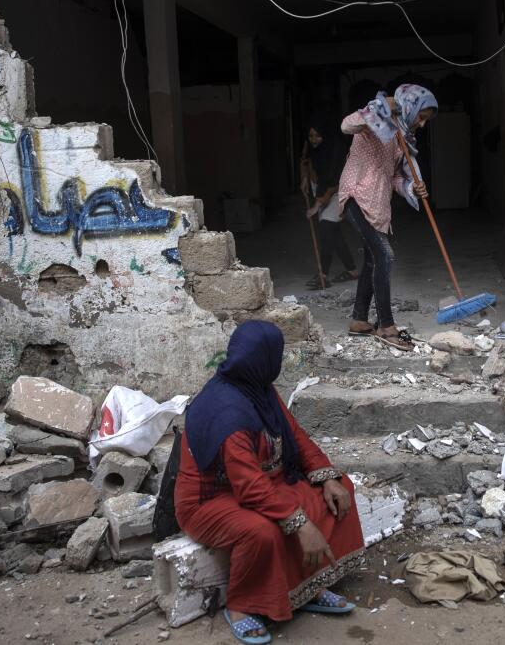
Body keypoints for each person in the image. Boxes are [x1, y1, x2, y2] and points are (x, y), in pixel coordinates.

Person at [174, 321, 365, 644]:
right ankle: (241, 607)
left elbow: (295, 435)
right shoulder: (228, 414)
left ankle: (307, 586)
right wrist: (301, 524)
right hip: (210, 500)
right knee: (262, 531)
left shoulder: (258, 387)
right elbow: (247, 486)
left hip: (260, 481)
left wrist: (326, 474)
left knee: (337, 490)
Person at [338, 84, 437, 352]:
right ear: (409, 107)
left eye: (426, 118)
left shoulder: (400, 138)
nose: (423, 123)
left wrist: (410, 187)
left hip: (378, 205)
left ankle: (359, 319)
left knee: (373, 259)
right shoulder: (376, 120)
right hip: (356, 196)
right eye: (422, 116)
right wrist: (378, 107)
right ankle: (386, 325)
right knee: (384, 256)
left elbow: (394, 177)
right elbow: (347, 125)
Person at [300, 123, 359, 289]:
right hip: (322, 188)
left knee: (326, 227)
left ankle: (323, 274)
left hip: (338, 191)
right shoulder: (312, 147)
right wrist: (304, 178)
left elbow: (332, 183)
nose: (314, 140)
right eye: (311, 136)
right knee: (334, 233)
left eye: (317, 136)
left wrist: (316, 206)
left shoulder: (334, 152)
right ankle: (352, 270)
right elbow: (304, 160)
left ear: (325, 135)